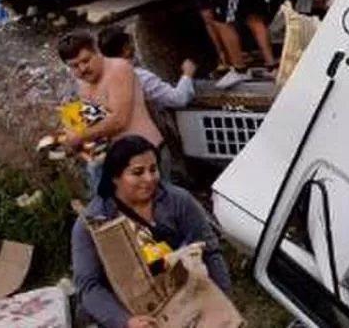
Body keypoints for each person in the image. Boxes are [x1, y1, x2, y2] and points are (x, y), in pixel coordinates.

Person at [72, 135, 231, 328]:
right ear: (115, 177)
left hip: (182, 298)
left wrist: (222, 302)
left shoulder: (179, 201)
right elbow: (88, 287)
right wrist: (125, 321)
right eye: (138, 172)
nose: (149, 179)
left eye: (153, 169)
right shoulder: (93, 223)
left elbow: (211, 251)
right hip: (127, 308)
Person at [57, 32, 166, 191]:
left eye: (86, 60)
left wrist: (79, 136)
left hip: (147, 156)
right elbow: (97, 121)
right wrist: (70, 135)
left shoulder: (119, 69)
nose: (82, 68)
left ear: (97, 51)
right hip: (119, 162)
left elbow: (119, 121)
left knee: (160, 211)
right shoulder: (83, 83)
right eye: (74, 65)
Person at [187, 0, 293, 89]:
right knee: (253, 18)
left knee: (223, 22)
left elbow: (208, 20)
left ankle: (239, 69)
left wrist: (221, 54)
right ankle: (271, 67)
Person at [97, 26, 196, 109]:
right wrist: (187, 74)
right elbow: (178, 99)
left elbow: (87, 118)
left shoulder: (99, 79)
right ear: (126, 49)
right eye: (131, 41)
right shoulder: (140, 77)